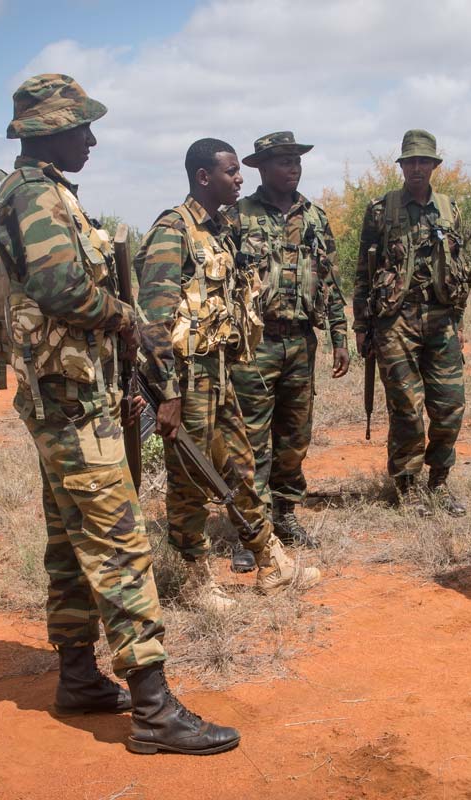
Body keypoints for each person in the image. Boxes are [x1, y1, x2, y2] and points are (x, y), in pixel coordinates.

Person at [0, 73, 239, 754]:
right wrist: (130, 321)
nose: (93, 139)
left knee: (71, 542)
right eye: (82, 127)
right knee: (120, 543)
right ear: (50, 131)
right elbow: (62, 286)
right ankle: (155, 712)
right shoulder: (36, 194)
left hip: (66, 398)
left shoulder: (39, 191)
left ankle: (79, 677)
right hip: (71, 406)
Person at [135, 137, 320, 601]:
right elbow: (153, 321)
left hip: (218, 372)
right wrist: (168, 392)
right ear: (204, 177)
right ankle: (195, 577)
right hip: (186, 378)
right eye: (231, 171)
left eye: (239, 171)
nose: (240, 179)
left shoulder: (218, 231)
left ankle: (269, 559)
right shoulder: (172, 231)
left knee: (241, 464)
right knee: (190, 479)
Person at [229, 132, 349, 556]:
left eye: (296, 160)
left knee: (294, 436)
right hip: (253, 343)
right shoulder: (237, 216)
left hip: (301, 342)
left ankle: (284, 515)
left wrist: (340, 336)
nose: (293, 167)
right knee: (250, 439)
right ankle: (250, 529)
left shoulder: (315, 218)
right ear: (261, 167)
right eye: (282, 161)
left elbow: (330, 281)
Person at [353, 129, 471, 516]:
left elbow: (461, 266)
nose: (417, 167)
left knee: (450, 406)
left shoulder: (450, 208)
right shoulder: (380, 209)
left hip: (441, 320)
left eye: (424, 161)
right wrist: (361, 326)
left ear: (435, 166)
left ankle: (438, 482)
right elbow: (361, 272)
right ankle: (407, 487)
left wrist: (457, 316)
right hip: (394, 322)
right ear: (402, 166)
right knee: (406, 407)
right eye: (411, 161)